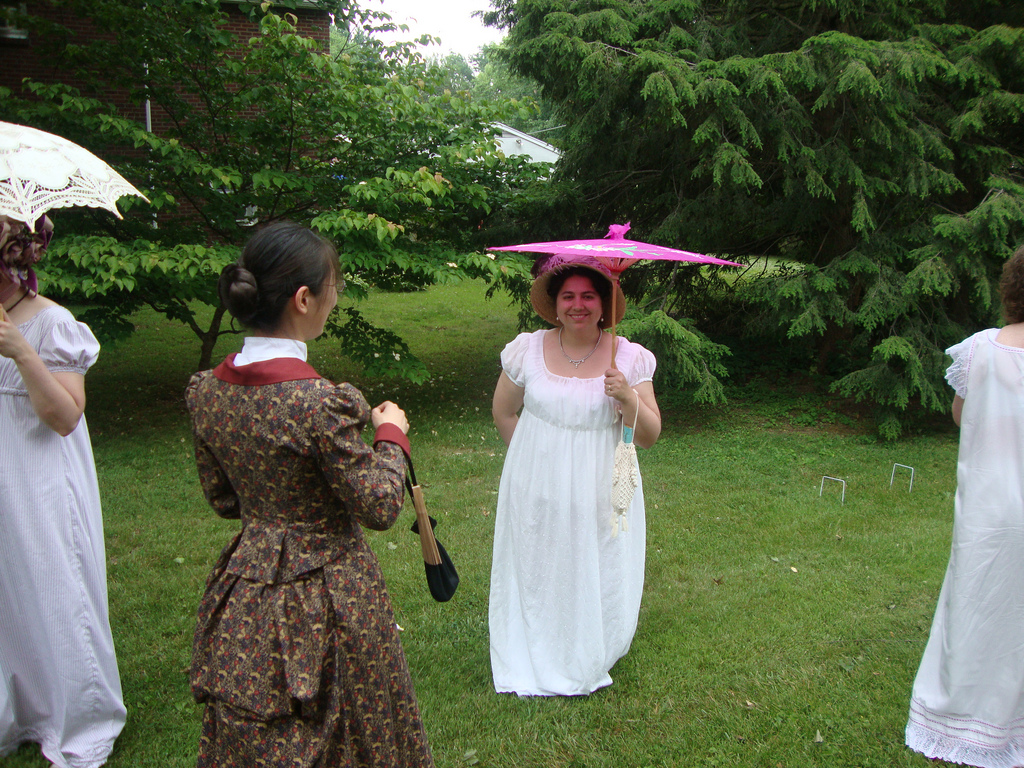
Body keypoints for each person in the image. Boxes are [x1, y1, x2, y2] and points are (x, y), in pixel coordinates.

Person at [186, 221, 433, 767]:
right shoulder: (318, 403)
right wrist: (391, 436)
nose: (335, 298)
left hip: (248, 590)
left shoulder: (207, 390)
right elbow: (380, 504)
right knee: (351, 725)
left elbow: (223, 499)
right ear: (303, 299)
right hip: (331, 594)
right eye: (334, 287)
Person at [489, 254, 662, 696]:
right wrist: (533, 465)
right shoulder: (527, 350)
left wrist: (628, 397)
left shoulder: (629, 358)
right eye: (568, 296)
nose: (578, 305)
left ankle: (587, 646)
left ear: (604, 304)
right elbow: (504, 413)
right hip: (535, 485)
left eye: (588, 296)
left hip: (599, 487)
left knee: (592, 565)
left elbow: (648, 436)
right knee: (539, 563)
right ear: (555, 303)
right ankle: (534, 640)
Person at [0, 214, 126, 768]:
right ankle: (17, 711)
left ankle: (79, 718)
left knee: (54, 586)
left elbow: (66, 417)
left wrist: (20, 352)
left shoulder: (52, 324)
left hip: (42, 482)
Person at [905, 245, 1024, 767]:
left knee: (976, 607)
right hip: (995, 509)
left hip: (987, 511)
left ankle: (966, 711)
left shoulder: (980, 350)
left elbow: (960, 415)